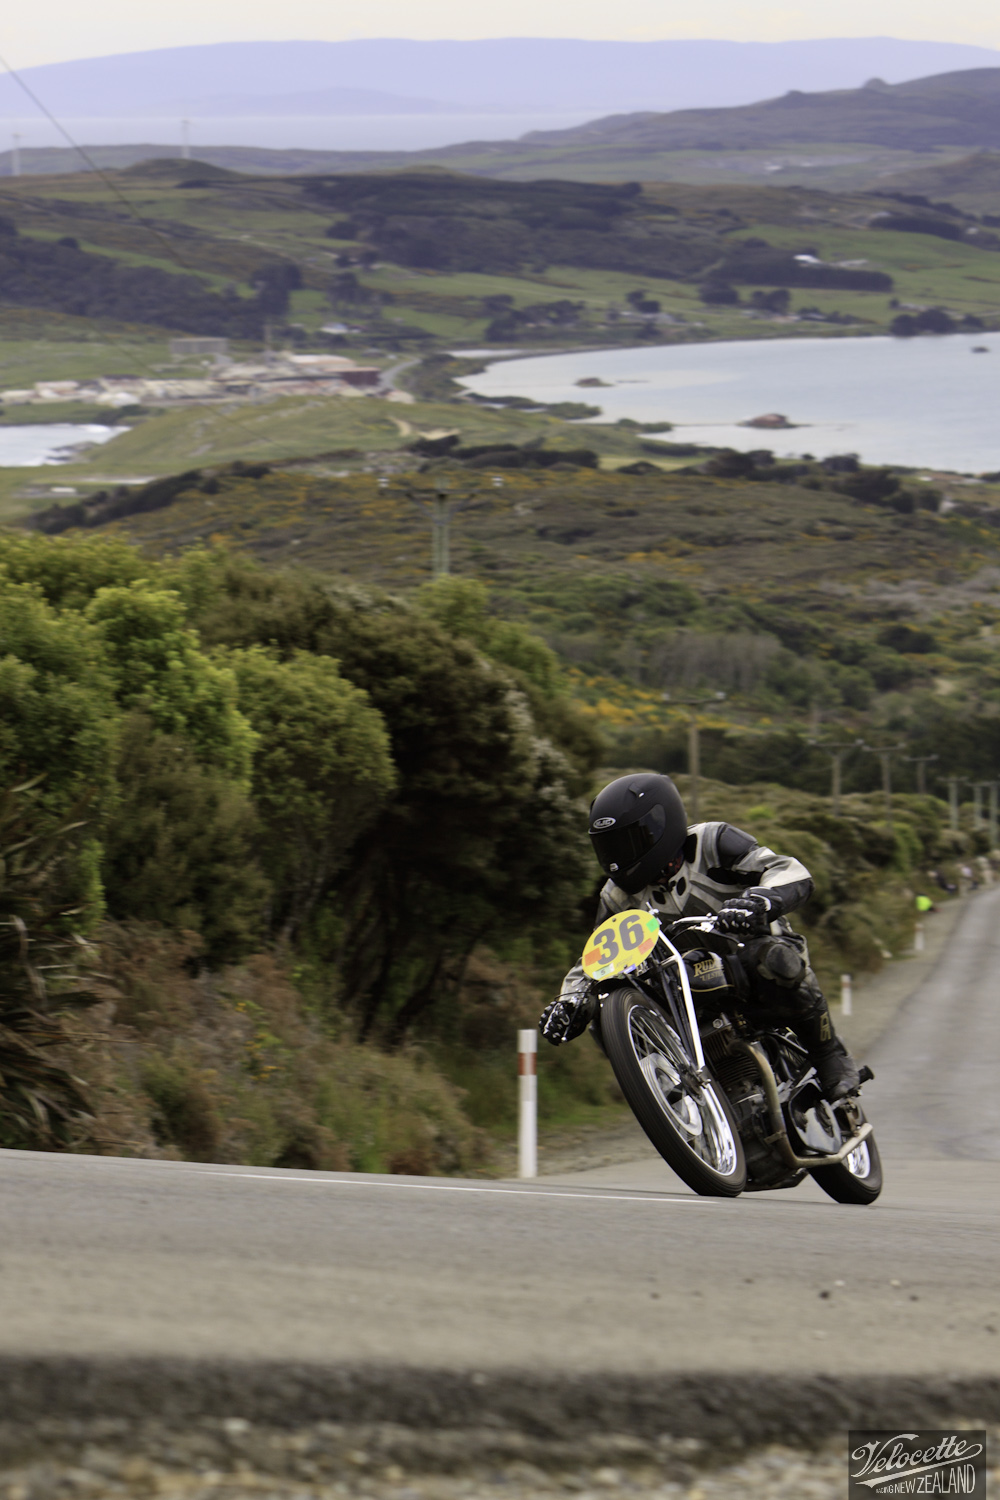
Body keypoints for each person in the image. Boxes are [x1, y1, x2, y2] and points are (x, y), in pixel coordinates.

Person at [539, 772, 861, 1102]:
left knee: (773, 959)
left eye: (628, 842)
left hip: (752, 961)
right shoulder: (617, 896)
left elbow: (788, 870)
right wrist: (570, 1000)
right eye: (610, 847)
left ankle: (830, 1056)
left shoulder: (712, 842)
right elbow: (600, 955)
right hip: (686, 985)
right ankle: (668, 1091)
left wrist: (759, 901)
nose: (618, 857)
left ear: (661, 824)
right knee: (605, 1015)